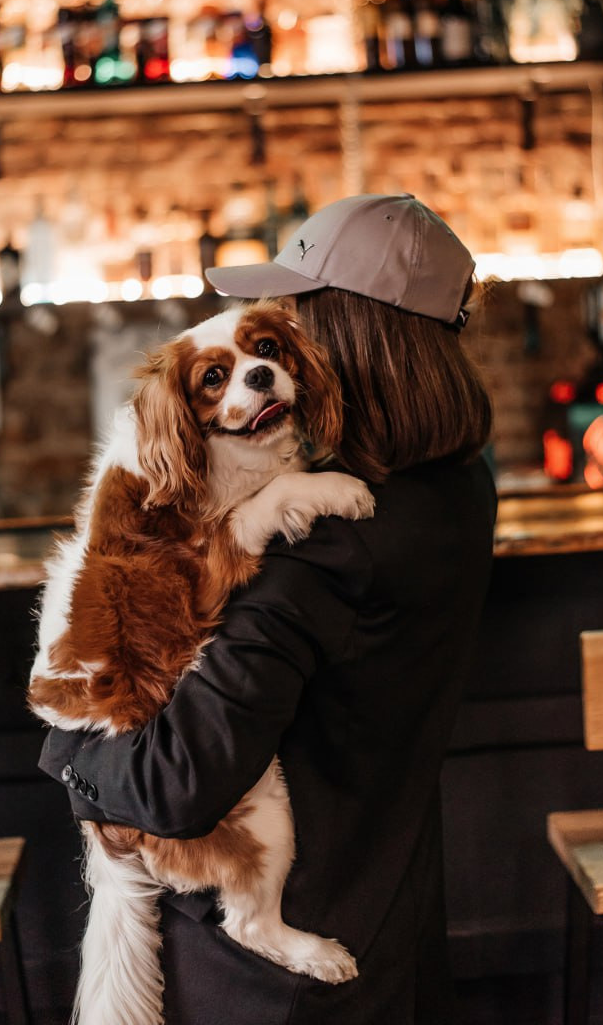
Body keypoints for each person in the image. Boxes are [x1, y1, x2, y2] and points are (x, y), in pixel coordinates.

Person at [39, 192, 497, 1024]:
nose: (282, 327)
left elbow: (176, 785)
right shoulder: (461, 484)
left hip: (266, 980)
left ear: (347, 332)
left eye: (294, 311)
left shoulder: (319, 543)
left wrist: (70, 751)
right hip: (395, 926)